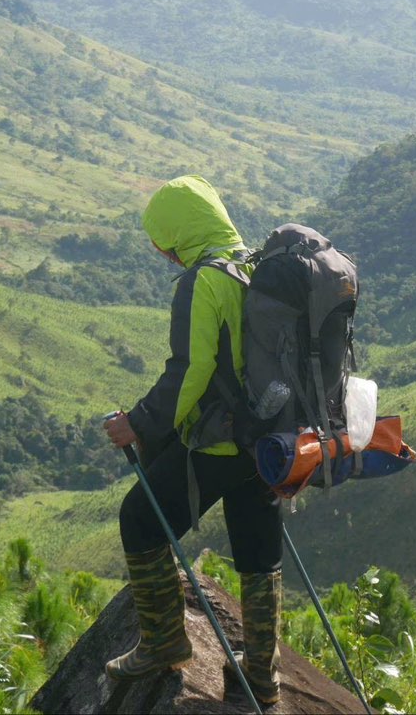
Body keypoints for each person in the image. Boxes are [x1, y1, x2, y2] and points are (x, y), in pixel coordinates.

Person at [103, 175, 283, 705]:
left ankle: (163, 642)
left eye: (166, 244)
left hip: (220, 443)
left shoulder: (203, 280)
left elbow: (191, 370)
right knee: (258, 550)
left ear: (182, 232)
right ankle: (262, 675)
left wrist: (139, 423)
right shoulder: (259, 267)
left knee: (141, 519)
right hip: (271, 442)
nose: (168, 256)